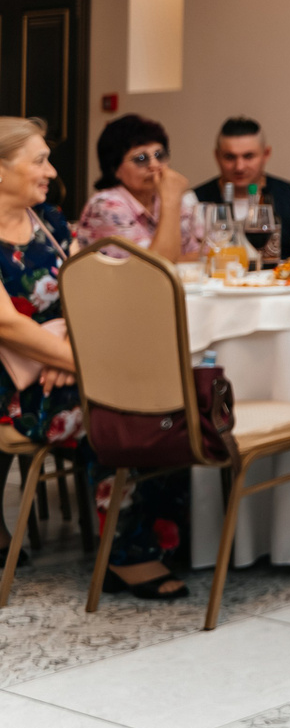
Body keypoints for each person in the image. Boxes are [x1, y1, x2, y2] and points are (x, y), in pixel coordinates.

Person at [0, 117, 191, 598]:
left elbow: (89, 293)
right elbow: (7, 325)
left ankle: (161, 538)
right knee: (112, 413)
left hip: (65, 365)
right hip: (13, 387)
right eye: (40, 161)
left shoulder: (49, 220)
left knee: (167, 403)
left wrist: (73, 351)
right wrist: (87, 364)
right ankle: (125, 555)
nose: (51, 171)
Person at [72, 114, 201, 260]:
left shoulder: (161, 198)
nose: (154, 165)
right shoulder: (106, 205)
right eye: (141, 158)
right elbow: (154, 267)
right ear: (115, 169)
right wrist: (171, 202)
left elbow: (202, 254)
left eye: (159, 155)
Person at [192, 116, 290, 258]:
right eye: (230, 157)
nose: (239, 167)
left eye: (248, 156)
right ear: (217, 156)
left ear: (266, 154)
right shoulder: (193, 201)